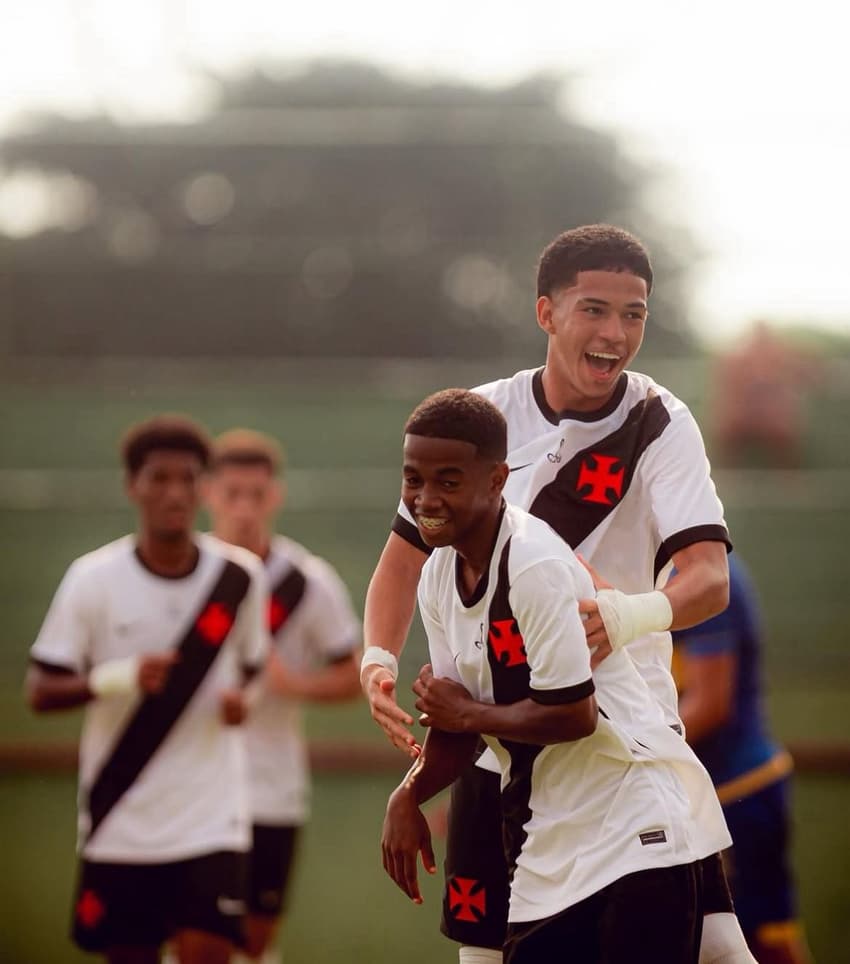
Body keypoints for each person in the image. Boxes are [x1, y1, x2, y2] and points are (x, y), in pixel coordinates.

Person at [362, 224, 754, 963]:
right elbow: (402, 562)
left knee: (718, 946)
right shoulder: (477, 422)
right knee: (485, 954)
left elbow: (709, 580)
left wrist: (623, 616)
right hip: (502, 750)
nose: (615, 333)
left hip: (620, 731)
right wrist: (376, 662)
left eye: (633, 314)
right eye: (594, 310)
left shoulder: (658, 423)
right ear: (546, 313)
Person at [382, 388, 726, 963]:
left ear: (496, 481)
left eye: (448, 481)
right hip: (546, 835)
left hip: (632, 824)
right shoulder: (438, 575)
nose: (425, 499)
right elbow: (454, 726)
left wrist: (469, 713)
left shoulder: (532, 561)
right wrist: (409, 794)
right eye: (413, 479)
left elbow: (573, 714)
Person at [25, 415, 267, 964]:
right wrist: (122, 677)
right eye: (159, 478)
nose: (174, 493)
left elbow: (252, 668)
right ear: (132, 486)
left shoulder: (240, 578)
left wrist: (243, 703)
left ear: (204, 488)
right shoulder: (92, 578)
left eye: (188, 479)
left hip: (212, 820)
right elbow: (40, 689)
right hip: (121, 818)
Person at [205, 429, 362, 964]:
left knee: (256, 939)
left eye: (256, 494)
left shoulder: (306, 582)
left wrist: (293, 684)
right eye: (232, 494)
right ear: (209, 494)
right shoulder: (186, 572)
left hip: (273, 788)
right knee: (196, 937)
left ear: (276, 495)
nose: (244, 509)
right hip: (192, 788)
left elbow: (354, 675)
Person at [673, 553, 814, 964]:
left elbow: (709, 704)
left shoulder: (709, 578)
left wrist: (632, 747)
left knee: (763, 943)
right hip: (690, 797)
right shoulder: (648, 572)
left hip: (739, 793)